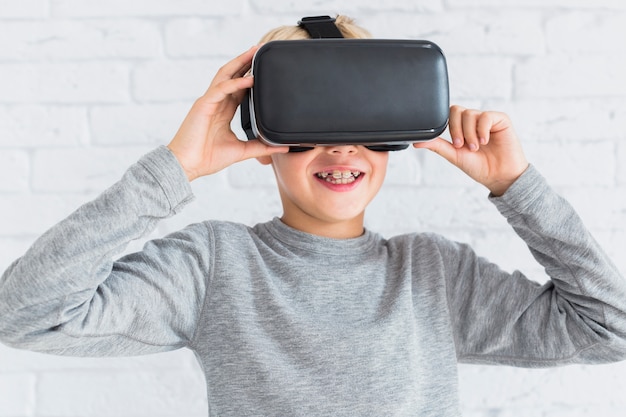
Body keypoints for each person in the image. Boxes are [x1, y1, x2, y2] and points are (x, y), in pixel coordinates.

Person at [1, 15, 626, 417]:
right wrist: (176, 167)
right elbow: (23, 315)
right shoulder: (214, 266)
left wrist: (517, 186)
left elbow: (611, 328)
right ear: (259, 134)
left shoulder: (433, 274)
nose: (340, 147)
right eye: (310, 121)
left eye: (361, 119)